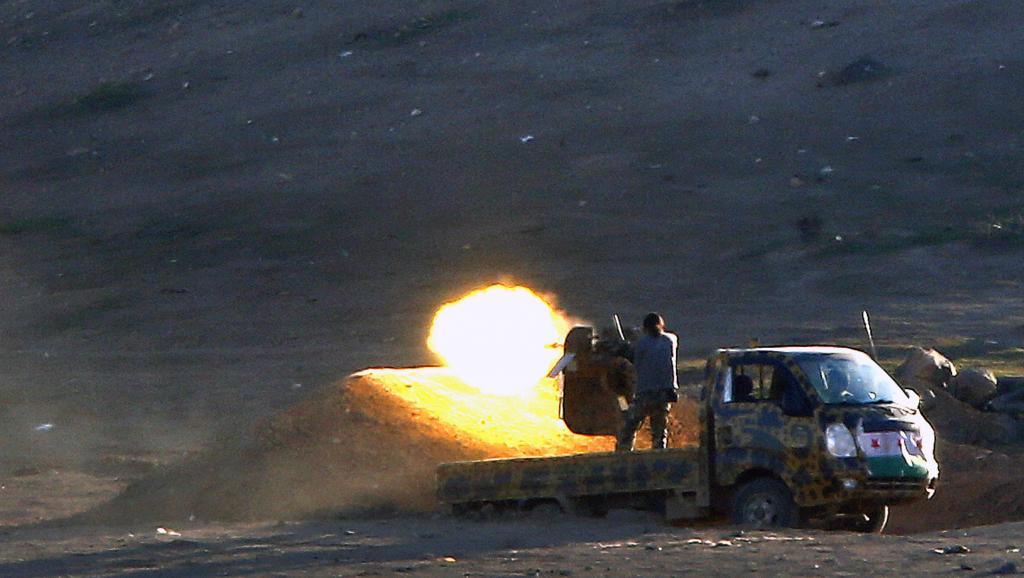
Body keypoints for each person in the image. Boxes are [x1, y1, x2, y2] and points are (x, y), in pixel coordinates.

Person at [616, 313, 679, 451]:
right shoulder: (671, 340)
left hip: (645, 393)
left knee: (629, 426)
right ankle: (659, 456)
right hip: (665, 393)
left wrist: (621, 347)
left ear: (645, 329)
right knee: (659, 431)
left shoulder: (640, 345)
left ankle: (622, 454)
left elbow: (630, 354)